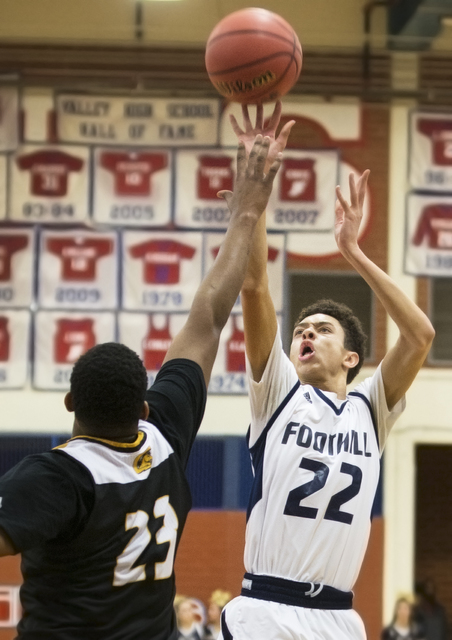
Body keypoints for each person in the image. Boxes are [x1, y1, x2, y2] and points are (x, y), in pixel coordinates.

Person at [0, 134, 282, 640]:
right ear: (145, 408)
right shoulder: (165, 437)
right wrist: (246, 214)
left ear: (69, 402)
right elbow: (210, 318)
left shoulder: (55, 478)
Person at [217, 102, 436, 640]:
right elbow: (254, 286)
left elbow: (420, 336)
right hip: (265, 606)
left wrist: (354, 253)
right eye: (301, 331)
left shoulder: (370, 408)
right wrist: (256, 200)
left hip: (338, 617)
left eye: (322, 330)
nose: (306, 334)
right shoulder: (280, 393)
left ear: (353, 358)